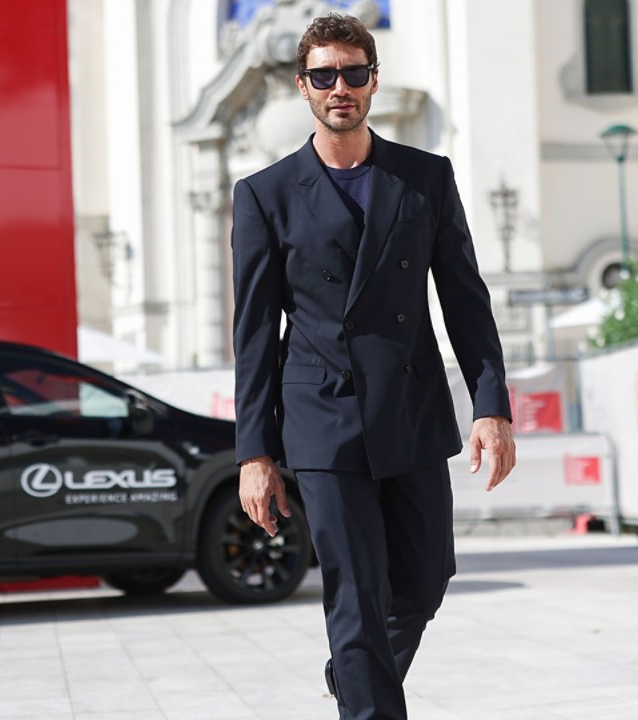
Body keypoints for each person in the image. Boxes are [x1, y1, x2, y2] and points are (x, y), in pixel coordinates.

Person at [230, 12, 516, 719]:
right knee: (354, 599)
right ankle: (363, 691)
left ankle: (353, 674)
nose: (339, 88)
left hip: (413, 410)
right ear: (303, 87)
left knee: (422, 584)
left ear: (373, 82)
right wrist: (254, 452)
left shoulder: (424, 178)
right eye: (323, 75)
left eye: (352, 74)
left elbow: (466, 301)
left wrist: (491, 406)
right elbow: (255, 333)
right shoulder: (264, 194)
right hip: (323, 418)